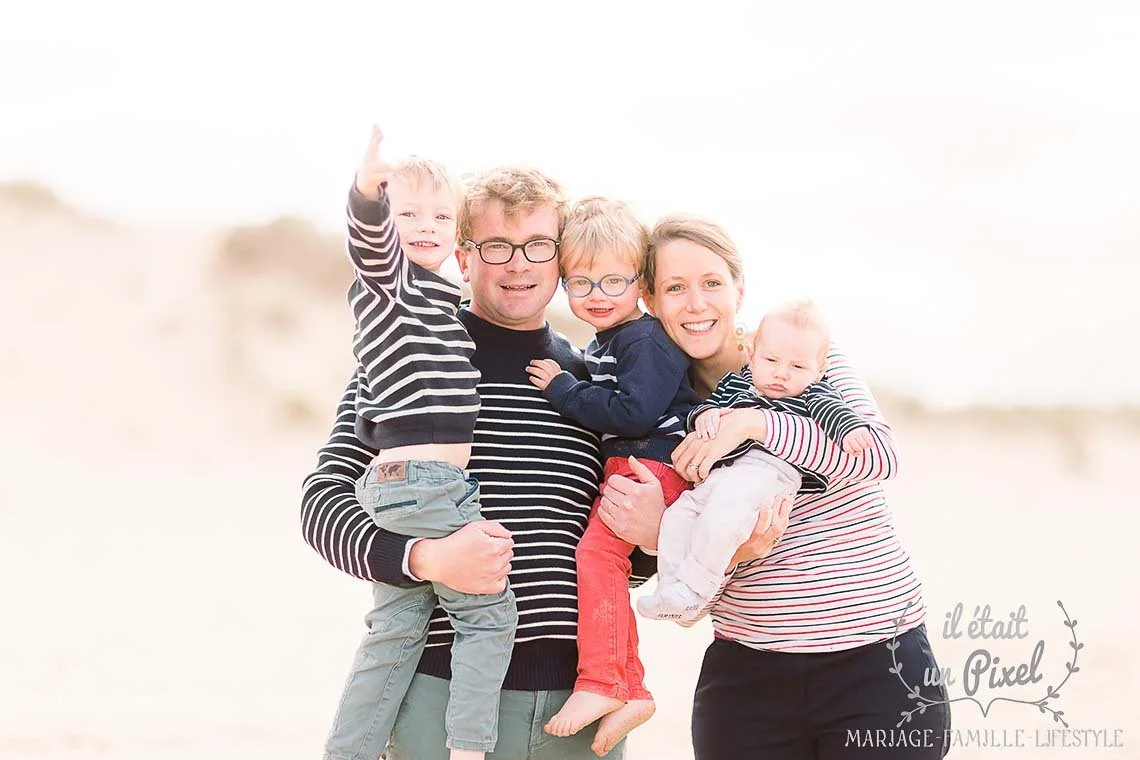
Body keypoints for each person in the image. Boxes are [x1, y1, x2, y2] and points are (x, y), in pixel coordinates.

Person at [303, 167, 787, 759]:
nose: (519, 265)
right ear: (463, 257)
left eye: (538, 245)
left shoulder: (592, 381)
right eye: (497, 246)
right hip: (440, 691)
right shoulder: (412, 355)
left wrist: (654, 538)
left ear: (563, 260)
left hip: (579, 700)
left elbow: (620, 552)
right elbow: (321, 504)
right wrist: (423, 557)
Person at [593, 214, 951, 759]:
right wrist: (663, 536)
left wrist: (754, 424)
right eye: (675, 288)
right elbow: (686, 585)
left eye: (712, 283)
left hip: (876, 662)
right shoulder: (656, 407)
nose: (696, 303)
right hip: (747, 677)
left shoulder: (802, 355)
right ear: (650, 299)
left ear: (739, 289)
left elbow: (879, 457)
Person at [326, 125, 517, 760]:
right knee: (487, 615)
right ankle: (469, 747)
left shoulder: (440, 300)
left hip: (403, 482)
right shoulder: (391, 284)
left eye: (441, 215)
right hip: (424, 481)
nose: (425, 225)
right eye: (408, 213)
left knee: (396, 631)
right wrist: (367, 194)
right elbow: (371, 247)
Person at [523, 197, 699, 738]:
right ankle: (631, 688)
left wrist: (565, 389)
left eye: (613, 282)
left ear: (640, 284)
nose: (597, 295)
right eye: (581, 283)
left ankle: (603, 680)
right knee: (606, 564)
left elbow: (635, 411)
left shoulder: (645, 339)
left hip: (651, 463)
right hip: (637, 462)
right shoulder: (611, 340)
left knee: (596, 557)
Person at [636, 299, 874, 623]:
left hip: (768, 476)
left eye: (797, 367)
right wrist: (705, 415)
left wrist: (849, 430)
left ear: (819, 372)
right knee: (680, 515)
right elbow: (708, 407)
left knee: (722, 517)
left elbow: (834, 411)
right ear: (752, 355)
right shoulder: (737, 384)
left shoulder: (811, 394)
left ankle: (692, 590)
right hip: (723, 476)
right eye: (771, 360)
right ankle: (671, 589)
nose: (781, 373)